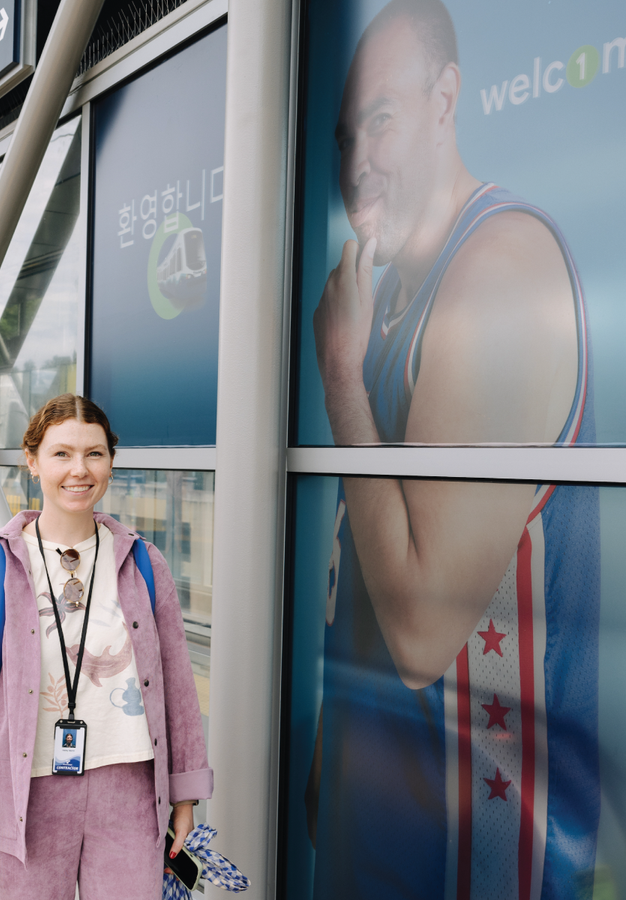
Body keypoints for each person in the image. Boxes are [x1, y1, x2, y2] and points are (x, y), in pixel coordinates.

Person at [307, 0, 599, 896]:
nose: (358, 162)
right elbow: (360, 566)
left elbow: (422, 636)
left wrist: (343, 381)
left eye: (383, 121)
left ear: (446, 101)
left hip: (478, 858)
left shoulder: (497, 275)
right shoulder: (393, 296)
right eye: (346, 133)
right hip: (385, 836)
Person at [0, 393, 212, 900]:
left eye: (94, 454)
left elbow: (178, 688)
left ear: (111, 464)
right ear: (31, 461)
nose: (79, 469)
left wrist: (184, 797)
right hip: (25, 797)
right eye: (61, 454)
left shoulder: (143, 563)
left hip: (130, 791)